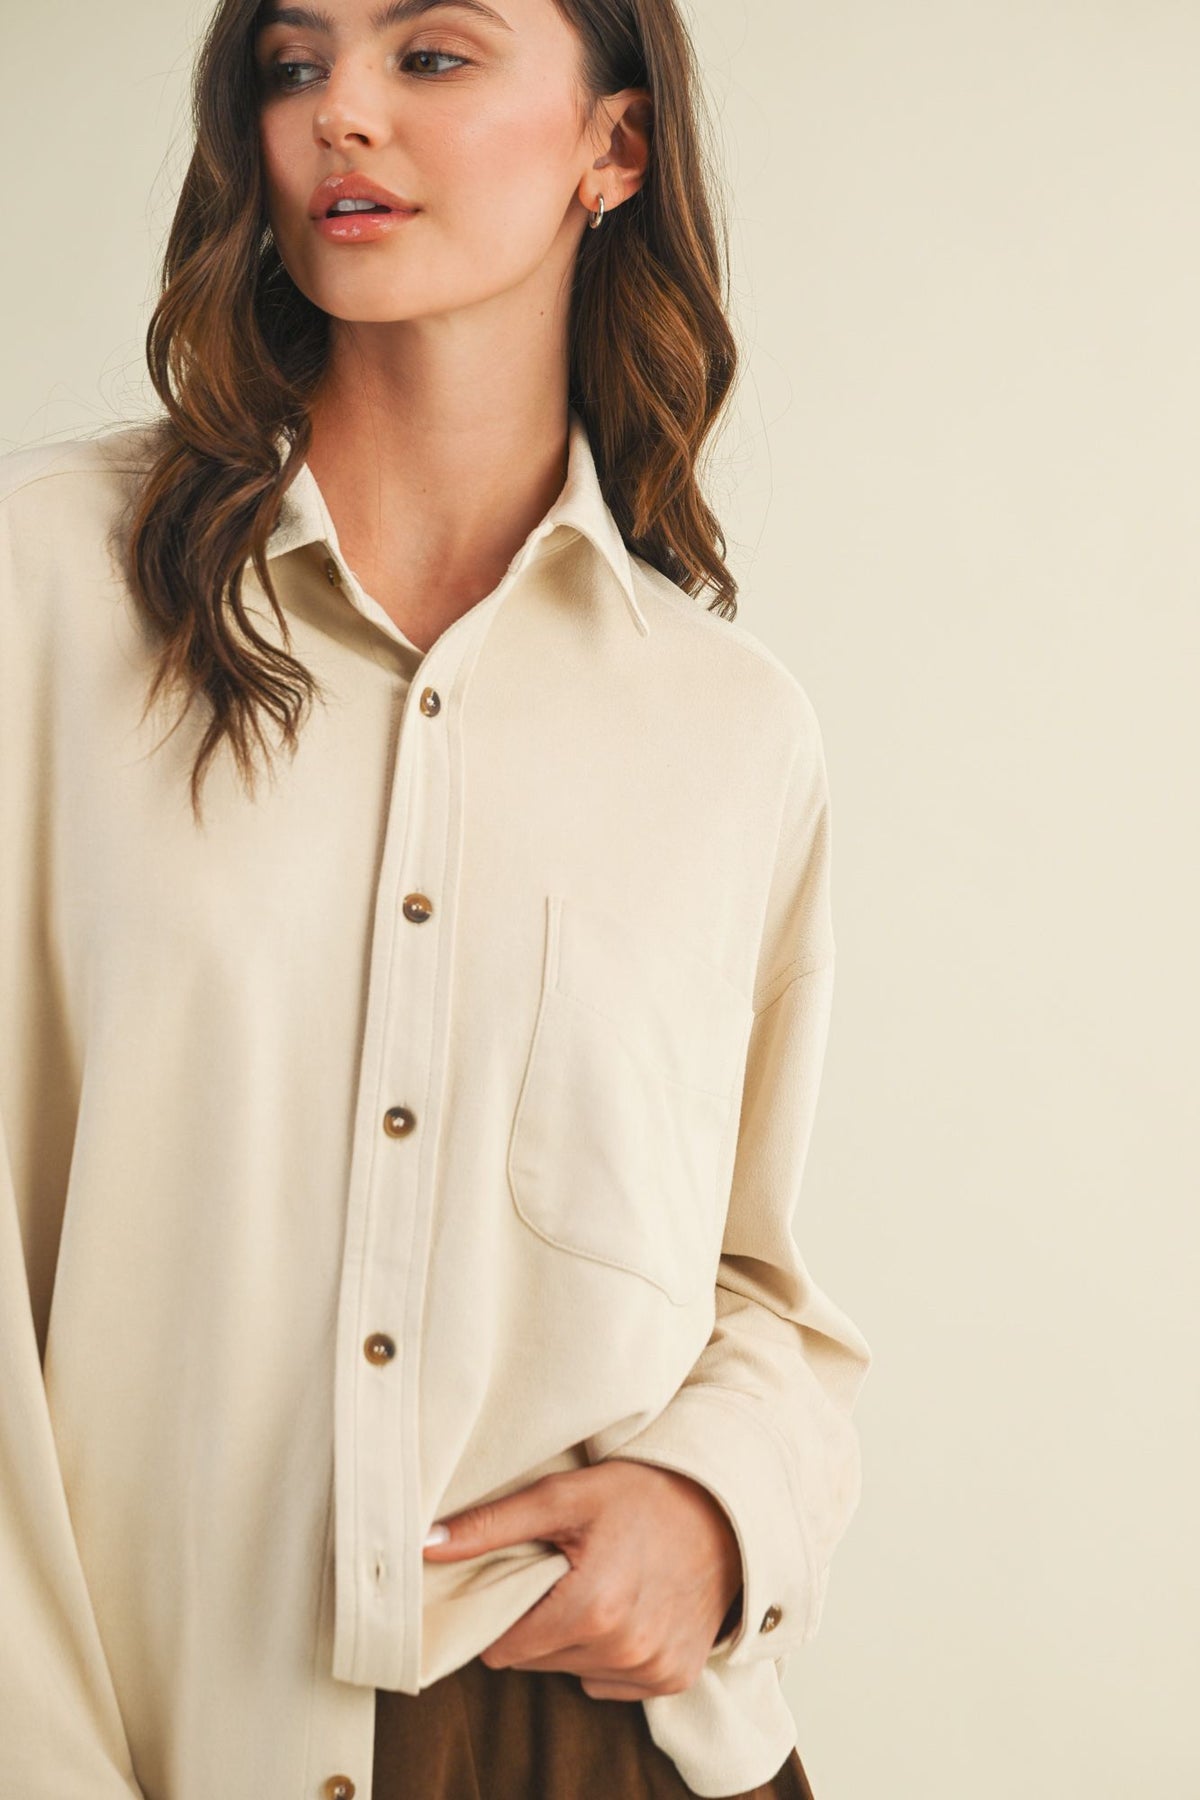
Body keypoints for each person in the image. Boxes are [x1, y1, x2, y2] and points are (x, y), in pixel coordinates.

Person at [0, 0, 873, 1795]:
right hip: (161, 1726)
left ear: (613, 149)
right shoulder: (46, 596)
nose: (345, 117)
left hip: (607, 1743)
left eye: (435, 56)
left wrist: (715, 1516)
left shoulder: (726, 731)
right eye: (296, 65)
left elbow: (761, 1294)